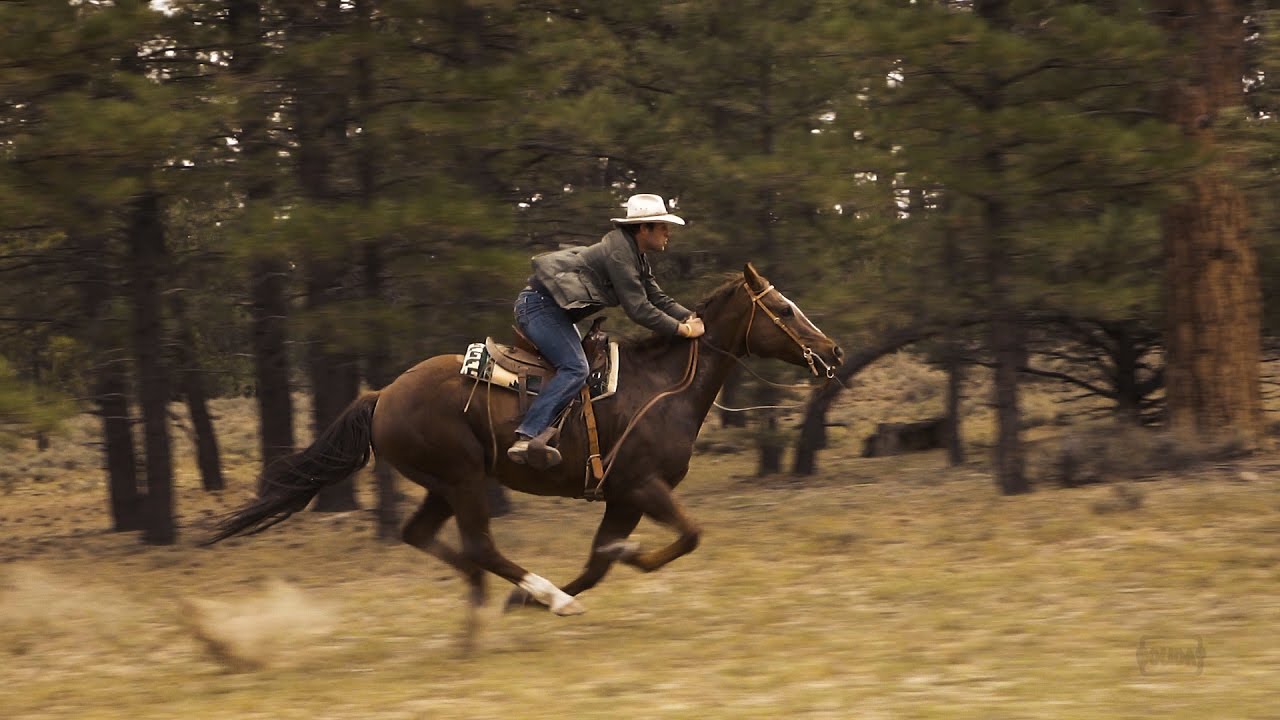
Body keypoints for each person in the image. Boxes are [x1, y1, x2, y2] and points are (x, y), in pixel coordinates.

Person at [507, 193, 706, 468]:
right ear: (643, 228)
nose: (667, 233)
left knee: (582, 371)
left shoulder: (635, 255)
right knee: (576, 368)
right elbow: (639, 309)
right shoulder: (620, 255)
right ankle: (528, 435)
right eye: (663, 227)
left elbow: (657, 298)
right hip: (540, 309)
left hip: (554, 314)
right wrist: (682, 330)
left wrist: (693, 317)